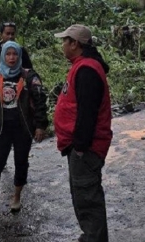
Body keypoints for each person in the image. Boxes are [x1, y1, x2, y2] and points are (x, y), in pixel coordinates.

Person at [53, 24, 112, 242]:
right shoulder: (82, 66)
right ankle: (90, 236)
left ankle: (94, 238)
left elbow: (88, 114)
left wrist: (79, 147)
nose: (63, 45)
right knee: (82, 196)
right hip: (80, 148)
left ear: (74, 44)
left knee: (87, 198)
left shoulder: (87, 69)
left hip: (85, 149)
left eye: (65, 41)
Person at [0, 41, 48, 213]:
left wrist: (40, 125)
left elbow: (40, 101)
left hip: (23, 128)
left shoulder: (29, 77)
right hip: (1, 129)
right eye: (8, 54)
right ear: (3, 55)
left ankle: (16, 197)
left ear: (20, 55)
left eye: (15, 54)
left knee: (21, 162)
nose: (12, 58)